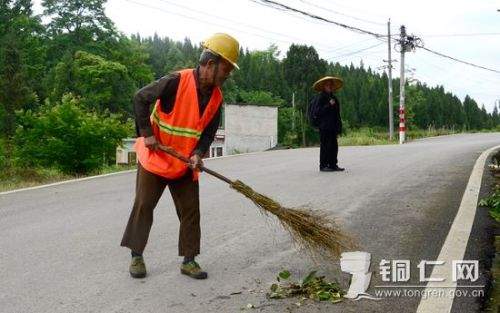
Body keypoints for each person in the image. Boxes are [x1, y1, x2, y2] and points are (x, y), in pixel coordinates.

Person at [120, 33, 239, 280]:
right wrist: (147, 134)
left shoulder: (217, 98)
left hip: (184, 162)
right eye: (225, 70)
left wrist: (197, 154)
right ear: (209, 64)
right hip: (156, 157)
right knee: (144, 205)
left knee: (190, 210)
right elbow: (140, 98)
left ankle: (189, 260)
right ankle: (136, 256)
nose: (227, 76)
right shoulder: (176, 81)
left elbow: (208, 133)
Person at [311, 76, 345, 172]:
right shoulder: (320, 97)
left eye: (331, 85)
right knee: (325, 146)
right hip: (324, 126)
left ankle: (333, 164)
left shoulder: (334, 98)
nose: (330, 86)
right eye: (327, 85)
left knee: (334, 146)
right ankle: (323, 165)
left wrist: (339, 126)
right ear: (324, 86)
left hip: (333, 126)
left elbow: (337, 114)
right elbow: (317, 112)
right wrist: (328, 105)